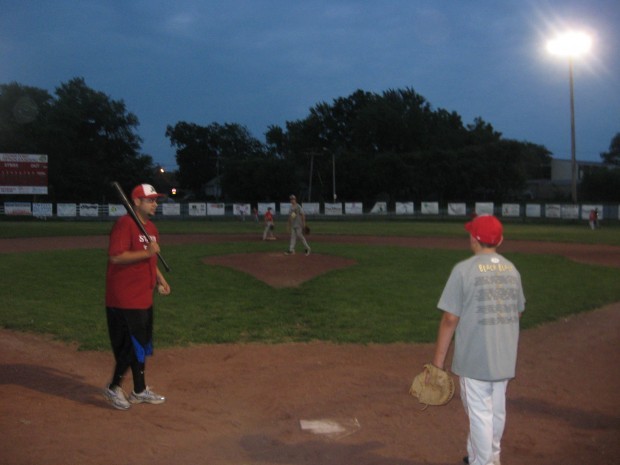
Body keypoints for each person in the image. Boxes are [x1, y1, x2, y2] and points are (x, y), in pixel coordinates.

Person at [428, 215, 525, 465]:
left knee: (479, 413)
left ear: (473, 239)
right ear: (500, 240)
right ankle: (484, 456)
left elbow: (450, 318)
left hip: (475, 358)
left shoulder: (463, 270)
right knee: (496, 409)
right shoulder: (512, 270)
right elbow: (518, 311)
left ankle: (485, 462)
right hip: (504, 356)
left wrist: (437, 364)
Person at [102, 183, 171, 410]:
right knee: (131, 347)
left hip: (143, 297)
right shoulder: (125, 225)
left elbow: (150, 259)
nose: (155, 203)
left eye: (155, 200)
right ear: (137, 202)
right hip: (124, 297)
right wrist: (147, 252)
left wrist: (159, 278)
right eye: (150, 200)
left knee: (142, 345)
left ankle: (139, 390)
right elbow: (116, 257)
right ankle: (113, 387)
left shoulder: (150, 228)